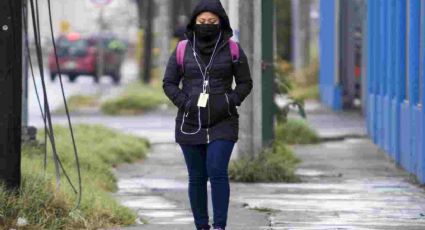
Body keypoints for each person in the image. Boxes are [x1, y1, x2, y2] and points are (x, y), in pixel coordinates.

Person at [162, 0, 252, 229]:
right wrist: (186, 103)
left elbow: (245, 83)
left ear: (221, 22)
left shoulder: (233, 49)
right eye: (202, 21)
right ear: (194, 22)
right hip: (190, 121)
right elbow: (169, 83)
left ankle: (220, 225)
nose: (207, 25)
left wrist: (229, 102)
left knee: (217, 170)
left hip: (224, 120)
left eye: (212, 21)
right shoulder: (183, 48)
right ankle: (201, 226)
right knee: (197, 176)